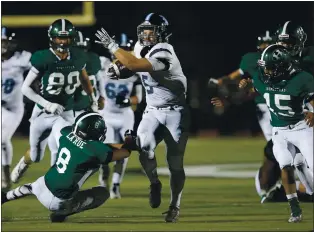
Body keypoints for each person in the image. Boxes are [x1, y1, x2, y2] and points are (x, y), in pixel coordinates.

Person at [95, 13, 190, 222]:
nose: (146, 35)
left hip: (176, 113)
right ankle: (154, 182)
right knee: (144, 147)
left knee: (175, 164)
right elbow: (132, 63)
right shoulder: (140, 45)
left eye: (151, 31)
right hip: (153, 110)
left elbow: (137, 65)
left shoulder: (165, 52)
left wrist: (112, 47)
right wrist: (119, 71)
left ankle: (175, 205)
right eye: (144, 30)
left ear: (162, 33)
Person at [2, 112, 140, 223]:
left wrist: (123, 144)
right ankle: (64, 211)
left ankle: (5, 197)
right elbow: (124, 153)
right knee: (103, 193)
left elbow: (100, 147)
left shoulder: (66, 132)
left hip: (42, 185)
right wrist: (129, 141)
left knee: (33, 186)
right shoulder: (96, 150)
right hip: (59, 201)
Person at [10, 19, 98, 184]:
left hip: (66, 112)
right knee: (36, 156)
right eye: (59, 38)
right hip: (42, 112)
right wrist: (48, 104)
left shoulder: (78, 56)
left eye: (66, 38)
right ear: (52, 38)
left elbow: (84, 79)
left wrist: (92, 99)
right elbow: (25, 88)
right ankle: (24, 163)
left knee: (65, 146)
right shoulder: (44, 57)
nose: (63, 42)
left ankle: (56, 183)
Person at [239, 44, 314, 223]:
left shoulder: (301, 79)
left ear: (282, 66)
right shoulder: (262, 78)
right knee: (285, 166)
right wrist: (247, 86)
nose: (267, 71)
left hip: (301, 129)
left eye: (270, 68)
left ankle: (306, 181)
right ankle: (295, 209)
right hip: (279, 131)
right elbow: (254, 89)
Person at [48, 30, 105, 166]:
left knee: (81, 149)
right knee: (56, 147)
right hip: (69, 110)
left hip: (86, 110)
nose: (81, 52)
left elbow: (98, 78)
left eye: (82, 48)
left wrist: (101, 96)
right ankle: (55, 177)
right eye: (77, 48)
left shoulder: (91, 60)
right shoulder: (64, 62)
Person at [98, 33, 143, 199]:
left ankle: (116, 184)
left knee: (124, 151)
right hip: (107, 115)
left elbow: (139, 97)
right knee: (105, 153)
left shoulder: (135, 71)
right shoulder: (103, 65)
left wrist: (128, 99)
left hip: (125, 116)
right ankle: (103, 180)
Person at [1, 27, 32, 190]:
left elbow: (40, 67)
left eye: (4, 42)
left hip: (13, 108)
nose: (2, 45)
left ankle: (5, 177)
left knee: (2, 139)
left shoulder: (21, 59)